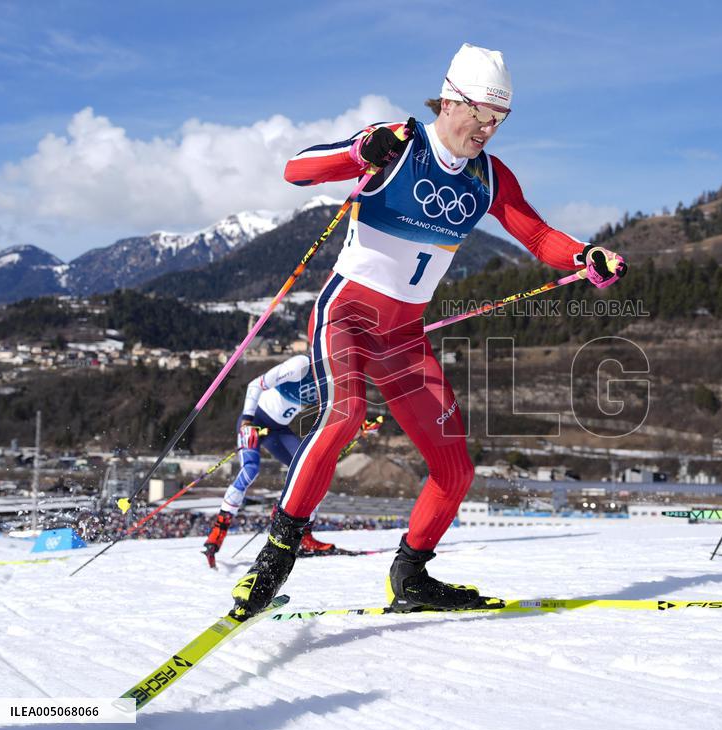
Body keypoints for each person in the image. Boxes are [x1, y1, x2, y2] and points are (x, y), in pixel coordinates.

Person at [229, 43, 627, 619]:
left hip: (404, 337)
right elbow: (297, 170)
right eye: (481, 113)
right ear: (448, 100)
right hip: (347, 317)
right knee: (343, 414)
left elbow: (539, 237)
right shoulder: (397, 144)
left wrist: (585, 255)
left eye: (500, 118)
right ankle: (273, 560)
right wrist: (359, 149)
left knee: (455, 469)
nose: (488, 128)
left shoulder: (490, 178)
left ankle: (410, 576)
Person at [203, 354, 374, 567]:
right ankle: (217, 534)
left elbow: (336, 414)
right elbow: (255, 384)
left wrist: (357, 427)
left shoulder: (334, 382)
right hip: (255, 421)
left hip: (278, 431)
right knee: (250, 470)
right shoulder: (301, 366)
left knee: (313, 471)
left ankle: (304, 536)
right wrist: (247, 420)